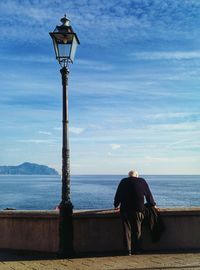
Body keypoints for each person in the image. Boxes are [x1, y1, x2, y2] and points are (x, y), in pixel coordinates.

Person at [114, 170, 157, 255]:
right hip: (138, 210)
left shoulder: (123, 181)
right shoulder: (142, 181)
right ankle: (137, 250)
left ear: (129, 176)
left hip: (125, 210)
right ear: (137, 175)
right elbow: (148, 195)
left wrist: (116, 205)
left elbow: (118, 194)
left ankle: (127, 251)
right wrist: (152, 204)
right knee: (137, 230)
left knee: (127, 230)